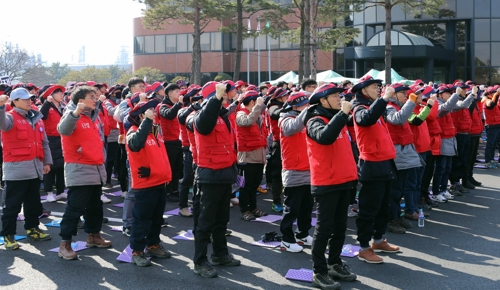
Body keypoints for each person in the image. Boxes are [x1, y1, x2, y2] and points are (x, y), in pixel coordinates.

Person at [303, 84, 358, 289]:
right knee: (324, 229)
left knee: (340, 227)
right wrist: (342, 114)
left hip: (344, 180)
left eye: (339, 95)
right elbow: (325, 138)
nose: (340, 99)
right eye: (335, 96)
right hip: (326, 182)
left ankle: (334, 263)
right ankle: (319, 271)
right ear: (323, 100)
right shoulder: (314, 120)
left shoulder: (338, 118)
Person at [57, 86, 111, 260]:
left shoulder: (92, 117)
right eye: (91, 96)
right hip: (79, 168)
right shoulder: (72, 114)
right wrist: (75, 113)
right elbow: (63, 129)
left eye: (95, 96)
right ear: (80, 100)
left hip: (95, 167)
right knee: (75, 208)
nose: (95, 99)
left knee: (95, 206)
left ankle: (94, 236)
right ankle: (65, 244)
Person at [192, 82, 240, 278]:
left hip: (224, 174)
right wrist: (215, 98)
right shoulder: (202, 115)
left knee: (222, 219)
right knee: (205, 222)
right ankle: (200, 261)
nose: (227, 96)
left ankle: (220, 254)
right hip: (209, 175)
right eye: (223, 93)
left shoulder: (222, 116)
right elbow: (204, 125)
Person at [351, 75, 399, 264]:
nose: (379, 89)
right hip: (372, 163)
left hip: (385, 161)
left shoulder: (375, 107)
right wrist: (384, 99)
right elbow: (366, 120)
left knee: (383, 206)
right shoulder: (359, 107)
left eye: (379, 87)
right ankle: (364, 247)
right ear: (363, 91)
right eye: (374, 87)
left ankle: (378, 240)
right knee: (369, 208)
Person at [0, 88, 53, 250]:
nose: (29, 101)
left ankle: (33, 228)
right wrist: (1, 106)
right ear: (14, 102)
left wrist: (47, 162)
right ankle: (8, 235)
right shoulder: (9, 117)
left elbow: (44, 143)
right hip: (16, 170)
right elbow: (2, 123)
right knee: (12, 206)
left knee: (33, 203)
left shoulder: (37, 118)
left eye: (29, 98)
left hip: (35, 168)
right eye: (24, 99)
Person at [125, 100, 173, 266]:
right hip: (145, 185)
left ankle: (152, 244)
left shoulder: (155, 131)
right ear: (141, 115)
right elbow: (135, 144)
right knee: (142, 220)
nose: (154, 112)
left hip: (159, 181)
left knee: (156, 218)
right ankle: (137, 251)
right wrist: (146, 121)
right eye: (150, 110)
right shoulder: (133, 131)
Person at [384, 84, 422, 234]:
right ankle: (391, 219)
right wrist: (411, 102)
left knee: (401, 188)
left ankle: (397, 216)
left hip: (405, 152)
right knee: (395, 189)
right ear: (393, 95)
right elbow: (398, 120)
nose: (406, 95)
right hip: (397, 153)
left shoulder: (399, 106)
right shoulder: (389, 107)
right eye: (403, 93)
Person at [278, 91, 312, 253]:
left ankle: (302, 234)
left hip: (309, 168)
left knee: (307, 206)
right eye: (306, 104)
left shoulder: (305, 118)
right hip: (294, 169)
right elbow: (292, 129)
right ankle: (286, 239)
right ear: (296, 106)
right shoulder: (285, 118)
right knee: (292, 208)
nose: (309, 107)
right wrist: (308, 111)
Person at [236, 90, 269, 221]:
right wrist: (257, 107)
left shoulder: (257, 115)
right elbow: (247, 122)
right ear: (252, 102)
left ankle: (253, 207)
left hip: (258, 156)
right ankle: (245, 210)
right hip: (247, 157)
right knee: (245, 186)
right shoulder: (241, 114)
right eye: (257, 102)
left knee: (254, 185)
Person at [39, 85, 67, 202]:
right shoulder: (46, 106)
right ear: (51, 95)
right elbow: (41, 116)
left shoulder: (64, 106)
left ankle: (60, 191)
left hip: (62, 138)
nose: (62, 95)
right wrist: (46, 103)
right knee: (50, 166)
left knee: (61, 166)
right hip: (50, 139)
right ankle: (49, 192)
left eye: (62, 93)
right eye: (59, 93)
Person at [157, 83, 184, 202]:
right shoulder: (163, 106)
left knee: (178, 168)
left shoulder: (178, 106)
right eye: (177, 92)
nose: (179, 93)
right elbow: (169, 115)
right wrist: (179, 104)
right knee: (170, 167)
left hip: (179, 141)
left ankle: (175, 190)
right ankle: (169, 191)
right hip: (169, 142)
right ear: (169, 93)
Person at [265, 88, 290, 212]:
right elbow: (275, 113)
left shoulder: (289, 106)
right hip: (278, 143)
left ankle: (289, 200)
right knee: (277, 174)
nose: (287, 97)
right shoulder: (273, 106)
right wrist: (289, 106)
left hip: (290, 143)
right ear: (279, 97)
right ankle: (276, 201)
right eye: (285, 96)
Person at [448, 82, 476, 194]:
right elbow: (463, 105)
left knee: (464, 159)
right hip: (458, 134)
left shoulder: (463, 100)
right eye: (463, 89)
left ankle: (459, 182)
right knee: (457, 160)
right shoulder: (454, 102)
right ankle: (454, 183)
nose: (465, 91)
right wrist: (472, 95)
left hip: (465, 133)